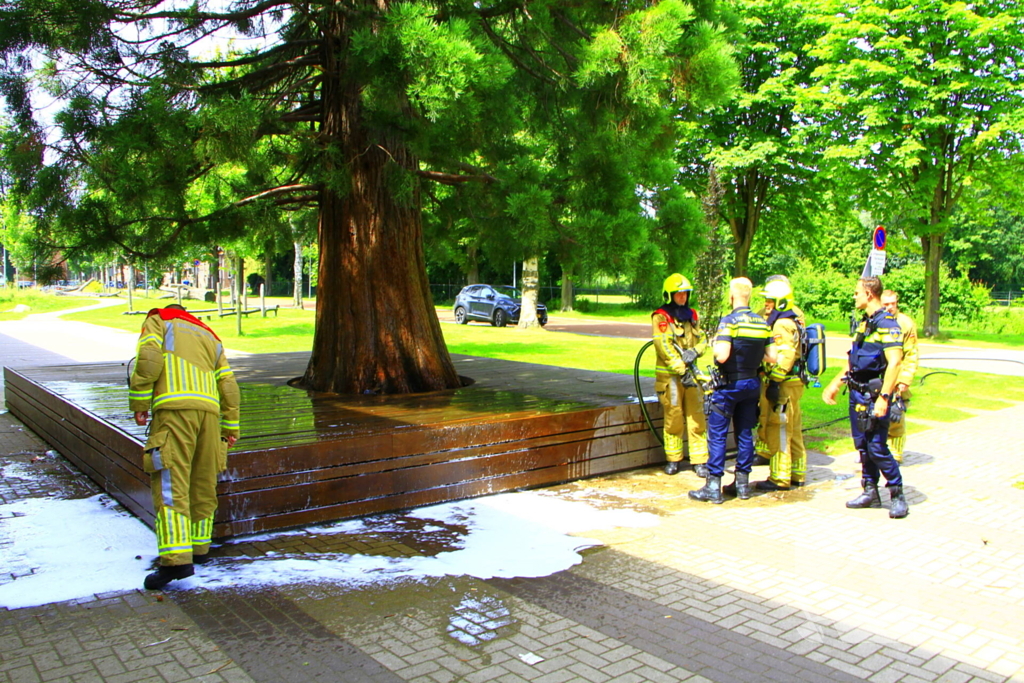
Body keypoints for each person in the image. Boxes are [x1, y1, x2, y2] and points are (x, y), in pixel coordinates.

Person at [129, 304, 241, 589]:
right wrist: (230, 425)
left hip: (174, 411)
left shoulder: (159, 319)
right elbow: (228, 383)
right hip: (210, 417)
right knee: (202, 483)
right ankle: (199, 549)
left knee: (170, 483)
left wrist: (140, 402)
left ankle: (176, 562)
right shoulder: (209, 334)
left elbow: (149, 358)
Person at [822, 277, 908, 519]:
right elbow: (853, 360)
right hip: (857, 392)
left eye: (857, 292)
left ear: (869, 294)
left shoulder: (887, 324)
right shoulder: (865, 323)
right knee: (862, 446)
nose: (854, 296)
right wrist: (835, 383)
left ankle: (897, 494)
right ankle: (870, 492)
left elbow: (895, 362)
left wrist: (884, 398)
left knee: (877, 447)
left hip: (874, 395)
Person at [690, 278, 776, 504]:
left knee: (717, 434)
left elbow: (722, 355)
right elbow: (772, 357)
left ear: (732, 296)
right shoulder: (762, 323)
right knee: (745, 432)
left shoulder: (729, 322)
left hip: (729, 386)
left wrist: (717, 341)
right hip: (751, 385)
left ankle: (713, 486)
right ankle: (742, 485)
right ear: (749, 296)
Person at [652, 274, 710, 476]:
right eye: (679, 294)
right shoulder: (661, 317)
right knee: (673, 418)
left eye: (685, 293)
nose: (683, 297)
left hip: (692, 376)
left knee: (697, 418)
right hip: (671, 378)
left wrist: (696, 351)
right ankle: (673, 459)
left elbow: (703, 339)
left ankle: (699, 461)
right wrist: (681, 369)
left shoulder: (692, 315)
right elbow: (664, 346)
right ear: (670, 295)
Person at [755, 279, 808, 490]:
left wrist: (775, 380)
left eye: (770, 300)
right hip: (794, 383)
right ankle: (797, 473)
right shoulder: (794, 320)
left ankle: (779, 478)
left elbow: (785, 355)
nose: (767, 304)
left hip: (784, 384)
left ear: (781, 302)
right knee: (794, 428)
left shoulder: (780, 324)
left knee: (780, 428)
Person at [881, 290, 919, 463]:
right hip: (879, 376)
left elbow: (911, 354)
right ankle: (875, 451)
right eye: (886, 304)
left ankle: (896, 455)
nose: (889, 307)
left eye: (892, 304)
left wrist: (905, 379)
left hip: (897, 378)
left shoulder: (905, 323)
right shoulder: (876, 321)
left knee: (896, 418)